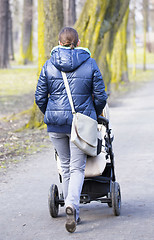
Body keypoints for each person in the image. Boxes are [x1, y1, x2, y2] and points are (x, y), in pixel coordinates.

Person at [35, 27, 108, 233]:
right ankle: (71, 206)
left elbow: (40, 97)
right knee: (77, 168)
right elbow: (101, 96)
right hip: (81, 124)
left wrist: (50, 114)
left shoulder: (48, 65)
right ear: (78, 42)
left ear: (59, 43)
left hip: (56, 125)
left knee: (65, 166)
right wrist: (92, 115)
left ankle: (72, 208)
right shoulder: (90, 63)